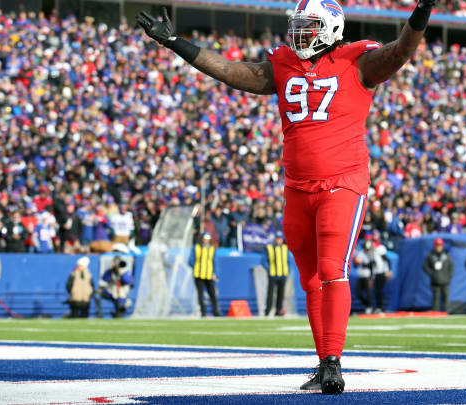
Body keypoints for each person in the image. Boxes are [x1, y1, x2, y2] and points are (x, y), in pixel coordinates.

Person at [137, 0, 438, 394]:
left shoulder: (357, 61)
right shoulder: (284, 64)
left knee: (332, 268)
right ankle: (324, 363)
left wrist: (422, 12)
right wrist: (177, 42)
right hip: (296, 187)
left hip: (342, 182)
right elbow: (232, 72)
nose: (300, 33)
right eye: (298, 25)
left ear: (330, 29)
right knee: (311, 279)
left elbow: (402, 49)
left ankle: (333, 362)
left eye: (309, 26)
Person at [192, 233, 220, 317]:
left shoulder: (212, 248)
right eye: (205, 238)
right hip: (199, 274)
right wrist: (196, 268)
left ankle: (215, 312)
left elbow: (214, 262)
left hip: (209, 274)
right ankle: (203, 312)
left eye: (208, 239)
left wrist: (215, 274)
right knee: (200, 295)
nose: (206, 240)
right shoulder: (196, 247)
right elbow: (191, 260)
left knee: (212, 294)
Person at [264, 231, 291, 317]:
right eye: (277, 238)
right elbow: (264, 261)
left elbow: (289, 261)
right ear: (275, 239)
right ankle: (267, 311)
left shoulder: (285, 248)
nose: (279, 240)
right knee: (270, 293)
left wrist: (287, 270)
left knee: (281, 294)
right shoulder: (269, 248)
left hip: (283, 274)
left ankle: (278, 310)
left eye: (280, 238)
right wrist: (269, 269)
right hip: (273, 274)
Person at [423, 238, 454, 313]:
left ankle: (446, 312)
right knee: (436, 298)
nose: (438, 247)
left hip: (445, 280)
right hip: (435, 280)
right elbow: (425, 266)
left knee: (446, 297)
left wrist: (449, 277)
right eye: (437, 245)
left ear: (442, 246)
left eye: (440, 245)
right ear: (434, 246)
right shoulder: (431, 255)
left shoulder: (446, 255)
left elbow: (451, 267)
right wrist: (432, 274)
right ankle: (435, 313)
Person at [353, 239, 375, 314]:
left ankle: (369, 307)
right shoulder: (360, 253)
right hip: (361, 275)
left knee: (368, 293)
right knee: (358, 293)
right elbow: (355, 265)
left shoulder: (371, 254)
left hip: (367, 276)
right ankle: (368, 305)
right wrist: (355, 261)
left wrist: (371, 278)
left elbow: (371, 266)